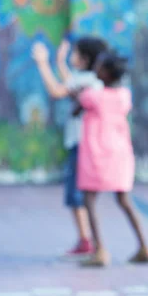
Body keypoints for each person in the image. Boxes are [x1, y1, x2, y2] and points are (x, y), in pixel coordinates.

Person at [71, 51, 148, 267]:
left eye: (99, 67)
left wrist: (79, 94)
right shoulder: (124, 95)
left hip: (96, 156)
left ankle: (100, 250)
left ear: (106, 73)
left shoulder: (93, 95)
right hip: (120, 155)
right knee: (124, 200)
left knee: (89, 201)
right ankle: (144, 246)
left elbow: (75, 109)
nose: (95, 70)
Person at [31, 36, 107, 257]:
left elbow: (57, 90)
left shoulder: (85, 81)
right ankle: (88, 239)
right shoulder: (94, 79)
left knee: (77, 195)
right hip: (90, 146)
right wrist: (61, 62)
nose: (72, 56)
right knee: (84, 196)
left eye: (74, 53)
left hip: (81, 146)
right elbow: (70, 83)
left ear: (84, 59)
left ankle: (87, 239)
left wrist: (43, 63)